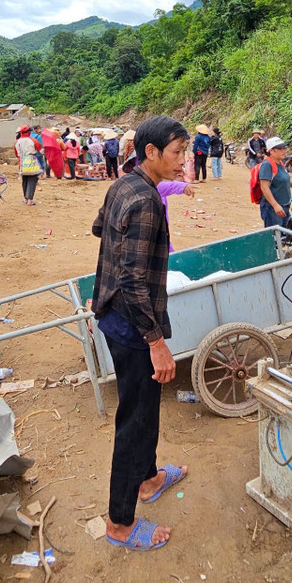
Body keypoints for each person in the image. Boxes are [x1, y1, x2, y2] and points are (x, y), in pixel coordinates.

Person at [91, 115, 190, 551]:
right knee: (134, 421)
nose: (183, 161)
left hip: (114, 315)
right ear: (151, 152)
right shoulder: (147, 200)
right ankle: (119, 523)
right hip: (133, 326)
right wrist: (156, 342)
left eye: (185, 151)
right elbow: (133, 281)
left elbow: (100, 227)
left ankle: (148, 479)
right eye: (177, 152)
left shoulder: (122, 185)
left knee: (146, 408)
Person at [258, 137, 292, 229]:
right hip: (272, 209)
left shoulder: (280, 163)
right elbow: (264, 187)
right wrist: (275, 205)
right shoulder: (267, 165)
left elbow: (286, 178)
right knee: (276, 235)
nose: (284, 151)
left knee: (285, 234)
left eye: (284, 148)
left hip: (284, 207)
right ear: (271, 151)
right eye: (280, 149)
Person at [15, 126, 42, 205]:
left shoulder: (17, 142)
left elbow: (16, 154)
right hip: (32, 162)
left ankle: (26, 199)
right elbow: (41, 150)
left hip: (22, 162)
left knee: (25, 180)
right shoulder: (33, 140)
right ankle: (30, 199)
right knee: (32, 179)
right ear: (29, 132)